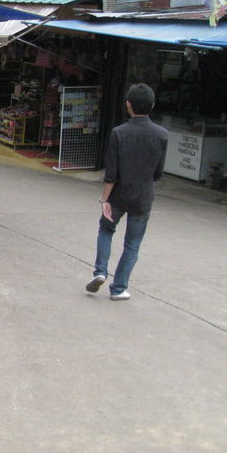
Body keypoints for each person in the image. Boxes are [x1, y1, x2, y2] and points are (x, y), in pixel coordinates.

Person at [86, 83, 168, 301]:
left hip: (119, 195)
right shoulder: (162, 135)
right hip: (143, 196)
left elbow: (111, 173)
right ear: (152, 105)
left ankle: (100, 272)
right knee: (132, 244)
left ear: (128, 105)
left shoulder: (118, 133)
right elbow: (158, 172)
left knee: (106, 230)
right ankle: (119, 288)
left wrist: (104, 199)